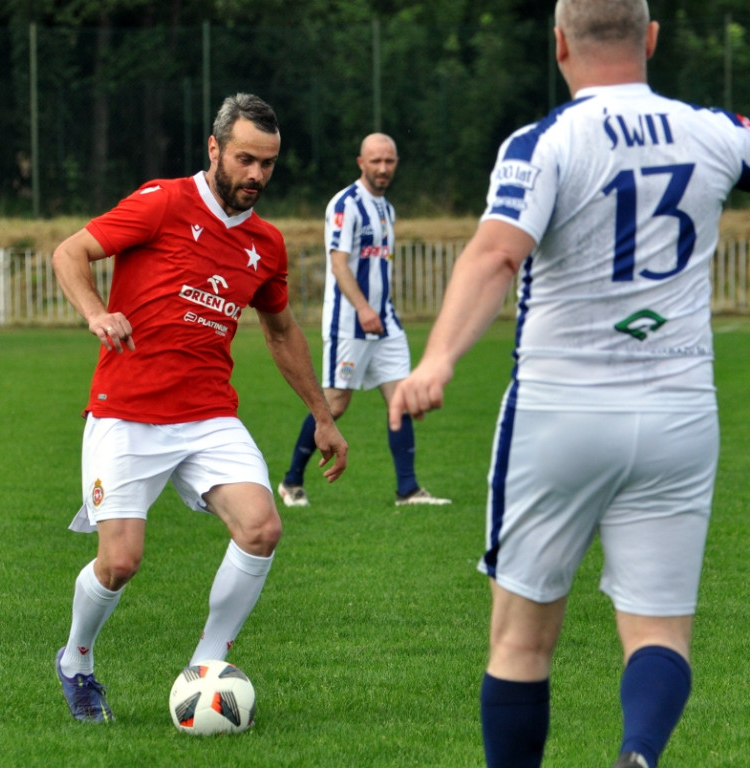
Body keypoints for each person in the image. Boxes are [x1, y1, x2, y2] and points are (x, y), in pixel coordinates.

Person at [388, 2, 750, 766]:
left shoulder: (544, 141)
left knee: (521, 642)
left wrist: (438, 360)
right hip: (681, 410)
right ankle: (639, 753)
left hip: (562, 411)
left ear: (558, 44)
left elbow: (495, 255)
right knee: (658, 634)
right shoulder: (718, 130)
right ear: (651, 38)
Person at [50, 93, 348, 722]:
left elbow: (281, 330)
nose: (257, 177)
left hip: (209, 413)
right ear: (214, 149)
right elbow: (68, 253)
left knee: (263, 527)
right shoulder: (162, 201)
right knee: (120, 561)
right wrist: (96, 312)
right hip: (125, 410)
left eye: (267, 164)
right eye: (245, 160)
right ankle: (76, 660)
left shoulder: (266, 244)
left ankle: (207, 668)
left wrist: (321, 415)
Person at [278, 133, 448, 508]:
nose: (383, 168)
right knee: (335, 405)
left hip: (385, 322)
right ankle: (291, 482)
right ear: (361, 162)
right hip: (349, 322)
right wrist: (364, 309)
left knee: (400, 401)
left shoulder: (387, 208)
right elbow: (339, 265)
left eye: (389, 161)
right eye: (376, 161)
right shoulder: (345, 204)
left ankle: (408, 490)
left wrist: (379, 309)